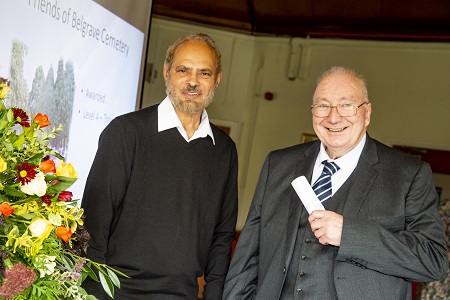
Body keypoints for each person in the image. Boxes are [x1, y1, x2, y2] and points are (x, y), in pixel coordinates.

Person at [223, 66, 448, 299]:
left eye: (346, 105)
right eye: (323, 105)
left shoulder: (409, 175)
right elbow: (247, 257)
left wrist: (349, 235)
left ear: (367, 113)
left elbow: (433, 260)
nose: (333, 117)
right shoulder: (278, 164)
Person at [81, 33, 238, 299]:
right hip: (116, 292)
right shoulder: (125, 132)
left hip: (183, 294)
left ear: (217, 79)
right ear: (167, 73)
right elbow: (93, 223)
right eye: (183, 70)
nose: (193, 81)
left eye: (204, 73)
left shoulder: (223, 149)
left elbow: (222, 235)